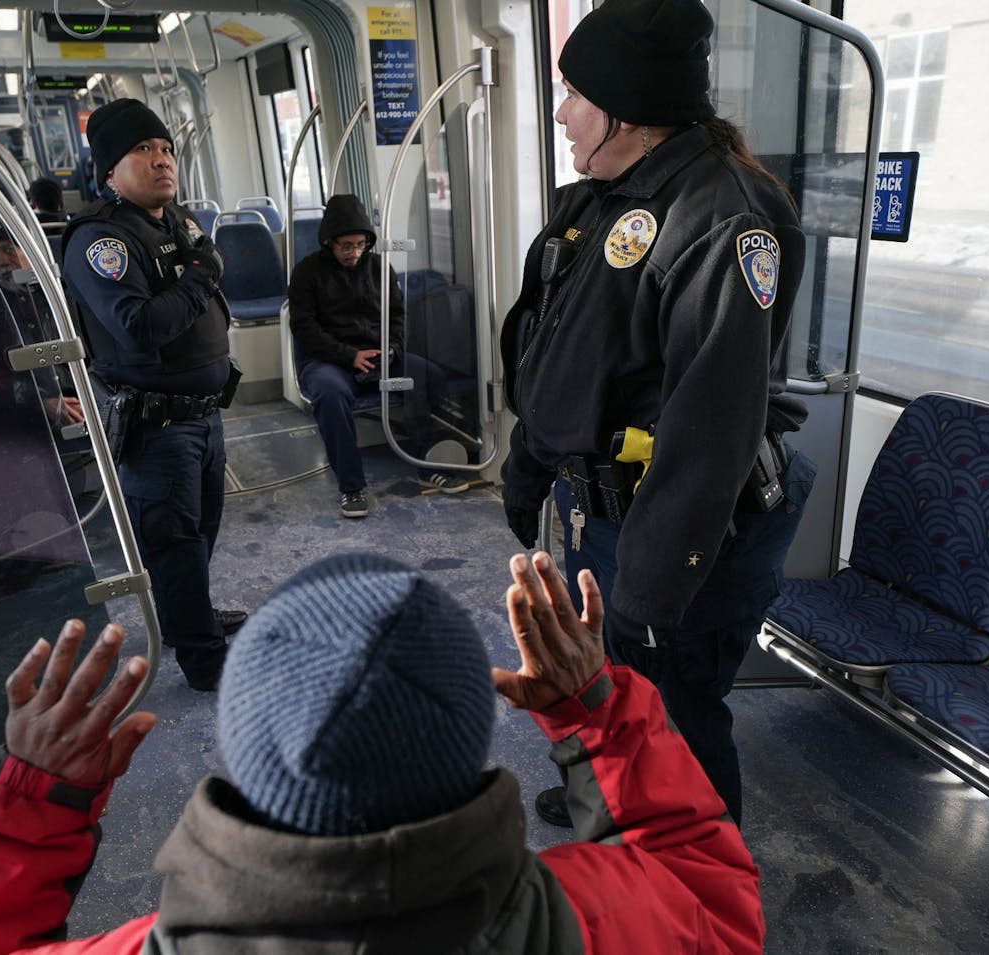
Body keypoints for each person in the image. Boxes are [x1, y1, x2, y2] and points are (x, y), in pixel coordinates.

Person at [0, 551, 766, 954]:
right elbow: (711, 896)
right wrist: (597, 713)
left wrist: (22, 805)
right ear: (468, 744)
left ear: (246, 753)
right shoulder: (614, 914)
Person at [499, 0, 817, 827]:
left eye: (575, 93)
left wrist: (645, 592)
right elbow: (557, 350)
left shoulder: (721, 217)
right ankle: (601, 799)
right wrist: (530, 468)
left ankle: (697, 903)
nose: (563, 114)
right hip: (599, 511)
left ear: (627, 106)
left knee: (676, 720)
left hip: (678, 530)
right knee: (600, 690)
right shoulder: (602, 197)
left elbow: (710, 434)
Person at [61, 98, 245, 691]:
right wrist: (200, 277)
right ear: (110, 171)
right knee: (174, 543)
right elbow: (138, 328)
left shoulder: (176, 220)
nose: (161, 159)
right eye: (143, 150)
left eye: (165, 148)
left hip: (203, 416)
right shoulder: (102, 241)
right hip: (157, 425)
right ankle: (205, 661)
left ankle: (187, 616)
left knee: (201, 532)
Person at [288, 193, 471, 519]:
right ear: (329, 242)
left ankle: (428, 462)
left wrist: (392, 349)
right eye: (346, 246)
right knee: (330, 394)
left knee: (429, 375)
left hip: (380, 354)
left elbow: (398, 316)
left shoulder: (378, 266)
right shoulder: (307, 272)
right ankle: (351, 487)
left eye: (360, 245)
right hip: (329, 359)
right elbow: (304, 328)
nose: (354, 253)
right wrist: (348, 355)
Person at [0, 214, 82, 428]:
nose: (2, 261)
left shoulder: (66, 297)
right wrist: (38, 401)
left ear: (31, 251)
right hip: (29, 423)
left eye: (9, 249)